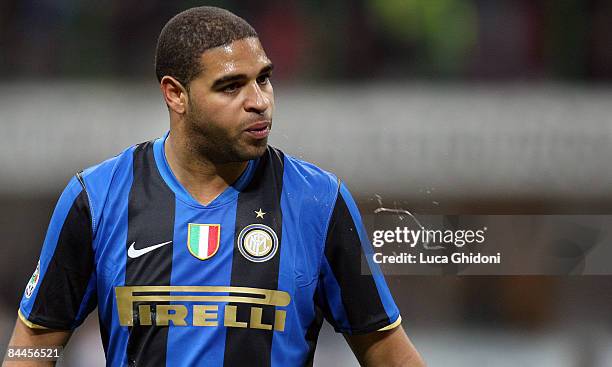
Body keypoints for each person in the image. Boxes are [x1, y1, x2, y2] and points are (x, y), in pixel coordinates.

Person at [5, 6, 425, 367]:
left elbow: (387, 350)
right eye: (231, 86)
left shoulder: (318, 200)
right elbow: (34, 344)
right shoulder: (96, 198)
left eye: (263, 78)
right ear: (176, 95)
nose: (259, 100)